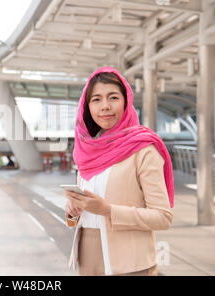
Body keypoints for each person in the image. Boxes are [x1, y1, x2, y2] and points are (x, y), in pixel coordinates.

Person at [64, 66, 174, 276]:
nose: (104, 106)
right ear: (87, 107)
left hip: (130, 264)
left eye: (113, 97)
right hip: (87, 259)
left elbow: (163, 217)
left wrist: (107, 210)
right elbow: (84, 214)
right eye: (96, 99)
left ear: (126, 101)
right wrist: (72, 212)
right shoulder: (88, 151)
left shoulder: (143, 150)